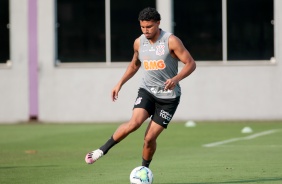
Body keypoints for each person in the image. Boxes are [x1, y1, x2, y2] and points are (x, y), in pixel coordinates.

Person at [85, 7, 196, 168]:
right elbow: (134, 65)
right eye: (142, 27)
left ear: (158, 23)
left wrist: (176, 78)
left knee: (149, 138)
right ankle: (101, 151)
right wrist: (119, 84)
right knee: (134, 123)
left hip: (168, 98)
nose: (146, 30)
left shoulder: (171, 41)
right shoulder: (139, 42)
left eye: (149, 27)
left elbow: (191, 64)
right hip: (147, 91)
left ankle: (144, 169)